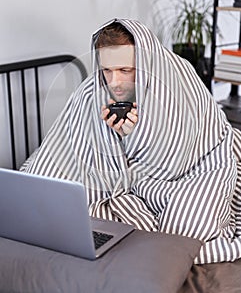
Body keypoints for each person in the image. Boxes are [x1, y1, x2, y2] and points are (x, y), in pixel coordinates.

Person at [21, 18, 241, 265]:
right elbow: (66, 145)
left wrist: (133, 135)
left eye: (125, 70)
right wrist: (112, 139)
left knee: (185, 231)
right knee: (55, 208)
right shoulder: (93, 90)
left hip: (196, 167)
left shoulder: (176, 79)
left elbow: (178, 160)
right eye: (107, 70)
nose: (114, 82)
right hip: (127, 177)